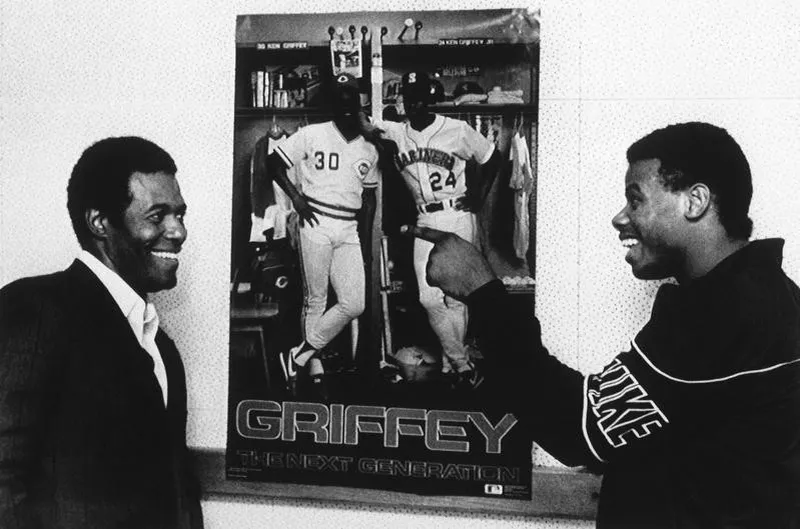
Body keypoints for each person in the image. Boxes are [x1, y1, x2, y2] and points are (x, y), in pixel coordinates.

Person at [403, 122, 800, 528]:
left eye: (635, 200)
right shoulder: (772, 293)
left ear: (695, 201)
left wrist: (482, 291)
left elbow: (576, 429)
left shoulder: (724, 310)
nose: (619, 217)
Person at [0, 137, 203, 528]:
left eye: (180, 214)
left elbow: (176, 487)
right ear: (100, 223)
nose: (178, 231)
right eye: (157, 215)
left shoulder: (160, 347)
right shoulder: (33, 309)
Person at [371, 70, 502, 390]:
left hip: (457, 215)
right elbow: (367, 120)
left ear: (430, 99)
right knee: (429, 298)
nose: (414, 103)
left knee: (457, 299)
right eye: (409, 97)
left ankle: (453, 366)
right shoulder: (397, 132)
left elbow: (493, 158)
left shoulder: (457, 129)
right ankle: (461, 363)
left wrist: (479, 196)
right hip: (424, 221)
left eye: (420, 98)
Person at [269, 73, 378, 390]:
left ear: (359, 100)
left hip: (349, 227)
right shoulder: (312, 133)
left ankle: (298, 355)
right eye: (340, 96)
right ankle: (312, 366)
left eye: (351, 95)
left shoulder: (369, 147)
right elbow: (273, 162)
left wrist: (367, 243)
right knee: (315, 300)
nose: (346, 101)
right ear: (333, 101)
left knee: (354, 303)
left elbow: (369, 200)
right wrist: (297, 198)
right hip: (315, 221)